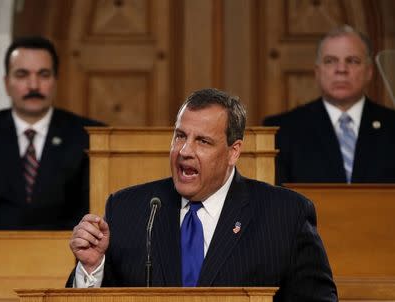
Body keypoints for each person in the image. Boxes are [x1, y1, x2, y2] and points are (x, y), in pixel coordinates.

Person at [67, 88, 338, 302]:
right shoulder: (128, 209)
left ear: (233, 151)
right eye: (180, 136)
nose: (185, 150)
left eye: (203, 141)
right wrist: (91, 269)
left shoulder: (285, 214)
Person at [0, 36, 105, 230]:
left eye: (43, 74)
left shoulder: (89, 136)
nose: (33, 85)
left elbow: (97, 211)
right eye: (22, 75)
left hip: (67, 255)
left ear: (55, 81)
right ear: (6, 83)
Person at [264, 25, 395, 185]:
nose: (341, 69)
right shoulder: (281, 130)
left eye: (352, 61)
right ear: (317, 71)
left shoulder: (391, 126)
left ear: (369, 71)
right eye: (330, 61)